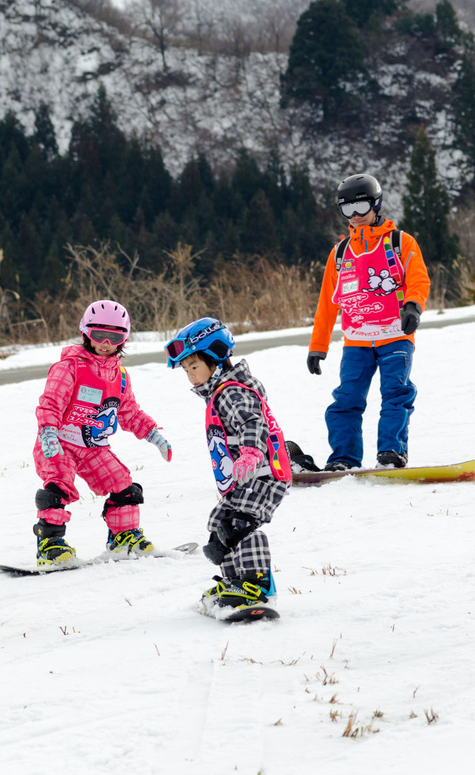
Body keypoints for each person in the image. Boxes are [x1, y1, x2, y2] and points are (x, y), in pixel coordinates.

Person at [165, 317, 291, 619]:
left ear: (217, 359)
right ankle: (234, 582)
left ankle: (255, 586)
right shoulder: (218, 391)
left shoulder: (231, 392)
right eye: (185, 370)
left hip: (264, 475)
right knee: (218, 527)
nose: (190, 376)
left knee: (239, 524)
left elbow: (252, 421)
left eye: (194, 367)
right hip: (245, 478)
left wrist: (249, 452)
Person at [32, 300, 172, 568]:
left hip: (93, 447)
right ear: (86, 333)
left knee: (123, 484)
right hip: (59, 442)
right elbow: (50, 402)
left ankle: (124, 538)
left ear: (125, 338)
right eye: (99, 335)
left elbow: (129, 412)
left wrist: (154, 434)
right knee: (58, 486)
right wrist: (48, 432)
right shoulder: (70, 367)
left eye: (115, 336)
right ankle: (50, 544)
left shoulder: (119, 376)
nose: (106, 342)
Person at [307, 173, 430, 471]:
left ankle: (391, 452)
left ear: (376, 205)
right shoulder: (340, 253)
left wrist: (413, 306)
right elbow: (327, 304)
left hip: (395, 336)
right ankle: (343, 458)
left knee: (395, 393)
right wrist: (317, 346)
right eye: (347, 210)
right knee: (346, 400)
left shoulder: (400, 242)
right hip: (356, 342)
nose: (356, 216)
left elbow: (418, 278)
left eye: (361, 207)